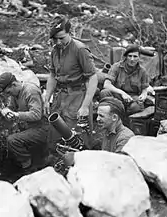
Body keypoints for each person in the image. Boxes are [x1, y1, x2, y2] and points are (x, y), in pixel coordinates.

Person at [44, 15, 99, 149]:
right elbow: (52, 75)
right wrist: (47, 98)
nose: (58, 42)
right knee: (56, 135)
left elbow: (93, 77)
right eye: (54, 39)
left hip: (78, 96)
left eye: (61, 38)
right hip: (60, 97)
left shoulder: (80, 49)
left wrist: (85, 106)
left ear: (70, 33)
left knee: (76, 140)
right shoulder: (55, 51)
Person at [0, 72, 49, 171]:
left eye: (8, 92)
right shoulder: (16, 93)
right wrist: (6, 111)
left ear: (14, 84)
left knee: (12, 140)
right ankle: (34, 160)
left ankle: (29, 168)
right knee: (14, 135)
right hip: (31, 127)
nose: (9, 95)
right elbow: (12, 108)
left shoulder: (30, 91)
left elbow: (36, 115)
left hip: (42, 128)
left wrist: (17, 115)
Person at [100, 44, 150, 116]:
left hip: (132, 98)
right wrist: (122, 93)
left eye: (135, 56)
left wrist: (143, 96)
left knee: (136, 107)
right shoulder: (116, 67)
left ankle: (122, 117)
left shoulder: (142, 71)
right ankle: (111, 115)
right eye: (130, 56)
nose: (132, 59)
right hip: (117, 95)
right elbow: (107, 85)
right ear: (126, 56)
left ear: (139, 57)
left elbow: (144, 90)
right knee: (104, 92)